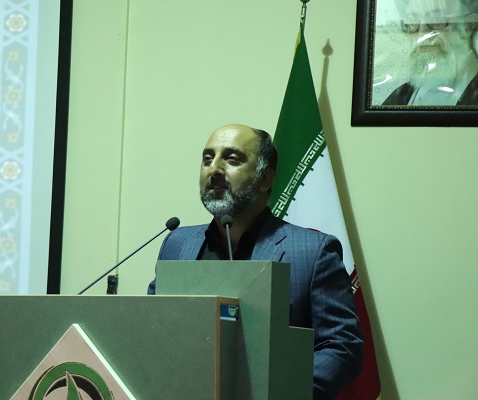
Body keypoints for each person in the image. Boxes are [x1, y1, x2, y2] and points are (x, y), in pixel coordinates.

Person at [147, 124, 363, 399]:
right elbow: (151, 327)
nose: (214, 169)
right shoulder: (177, 244)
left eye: (232, 159)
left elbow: (342, 346)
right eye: (207, 159)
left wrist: (281, 393)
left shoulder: (313, 251)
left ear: (265, 179)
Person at [383, 0, 478, 105]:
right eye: (412, 21)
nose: (422, 33)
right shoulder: (400, 96)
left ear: (469, 24)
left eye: (436, 19)